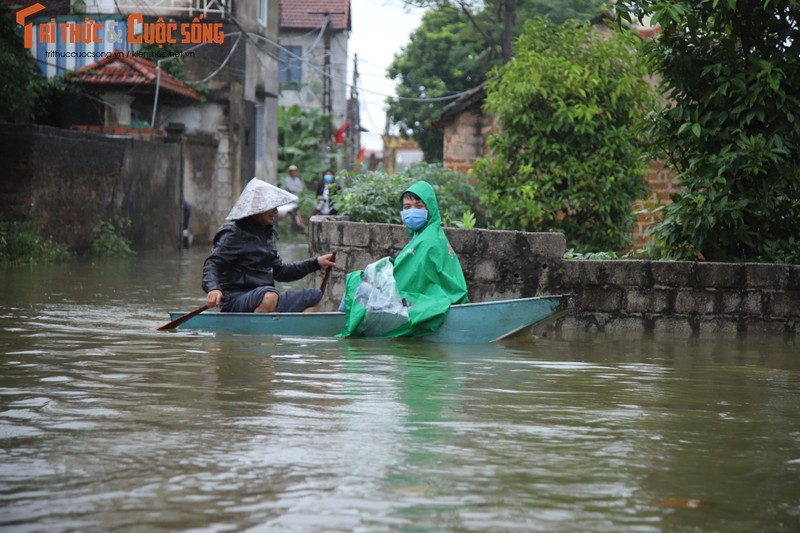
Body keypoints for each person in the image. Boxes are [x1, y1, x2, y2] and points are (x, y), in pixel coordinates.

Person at [339, 180, 469, 338]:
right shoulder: (425, 236)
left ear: (431, 209)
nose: (412, 211)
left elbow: (410, 280)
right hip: (417, 298)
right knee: (359, 284)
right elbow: (408, 270)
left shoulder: (429, 240)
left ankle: (341, 323)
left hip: (419, 301)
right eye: (407, 207)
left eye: (419, 206)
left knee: (354, 285)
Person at [202, 178, 336, 313]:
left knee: (314, 297)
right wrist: (213, 288)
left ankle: (284, 329)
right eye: (271, 206)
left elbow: (281, 272)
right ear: (257, 208)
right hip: (236, 299)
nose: (276, 211)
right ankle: (256, 332)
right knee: (269, 297)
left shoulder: (267, 234)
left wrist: (316, 263)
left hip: (266, 296)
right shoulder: (233, 232)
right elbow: (212, 264)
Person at [280, 164, 305, 231]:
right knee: (287, 216)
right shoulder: (287, 179)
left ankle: (295, 229)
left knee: (295, 215)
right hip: (288, 201)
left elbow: (300, 189)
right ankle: (285, 230)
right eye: (292, 171)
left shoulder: (297, 179)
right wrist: (295, 188)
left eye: (294, 171)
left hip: (295, 201)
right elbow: (290, 188)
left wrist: (294, 188)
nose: (293, 172)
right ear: (289, 172)